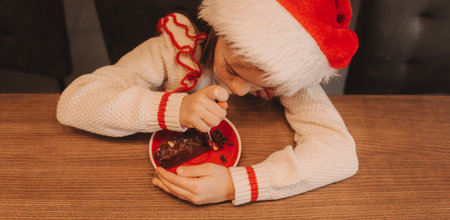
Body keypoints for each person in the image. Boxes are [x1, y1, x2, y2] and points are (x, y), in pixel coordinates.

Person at [57, 0, 359, 205]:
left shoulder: (288, 74)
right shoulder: (174, 51)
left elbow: (340, 153)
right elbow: (74, 103)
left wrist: (236, 184)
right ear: (219, 29)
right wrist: (175, 109)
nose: (239, 91)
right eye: (231, 69)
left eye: (261, 85)